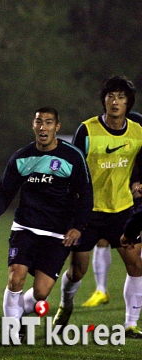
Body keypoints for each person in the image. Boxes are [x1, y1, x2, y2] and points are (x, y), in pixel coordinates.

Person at [0, 106, 93, 344]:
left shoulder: (72, 157)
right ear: (33, 125)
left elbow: (86, 196)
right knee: (16, 278)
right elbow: (4, 190)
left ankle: (18, 316)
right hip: (26, 227)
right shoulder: (22, 157)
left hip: (58, 232)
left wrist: (78, 227)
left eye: (49, 123)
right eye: (39, 122)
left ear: (57, 127)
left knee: (41, 292)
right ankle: (12, 333)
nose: (43, 127)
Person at [54, 75, 142, 338]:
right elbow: (73, 168)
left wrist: (138, 181)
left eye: (121, 97)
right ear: (103, 101)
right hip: (89, 212)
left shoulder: (138, 130)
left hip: (122, 211)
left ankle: (130, 324)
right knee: (77, 271)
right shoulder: (88, 130)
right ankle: (65, 305)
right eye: (111, 97)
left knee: (136, 265)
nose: (115, 102)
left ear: (128, 103)